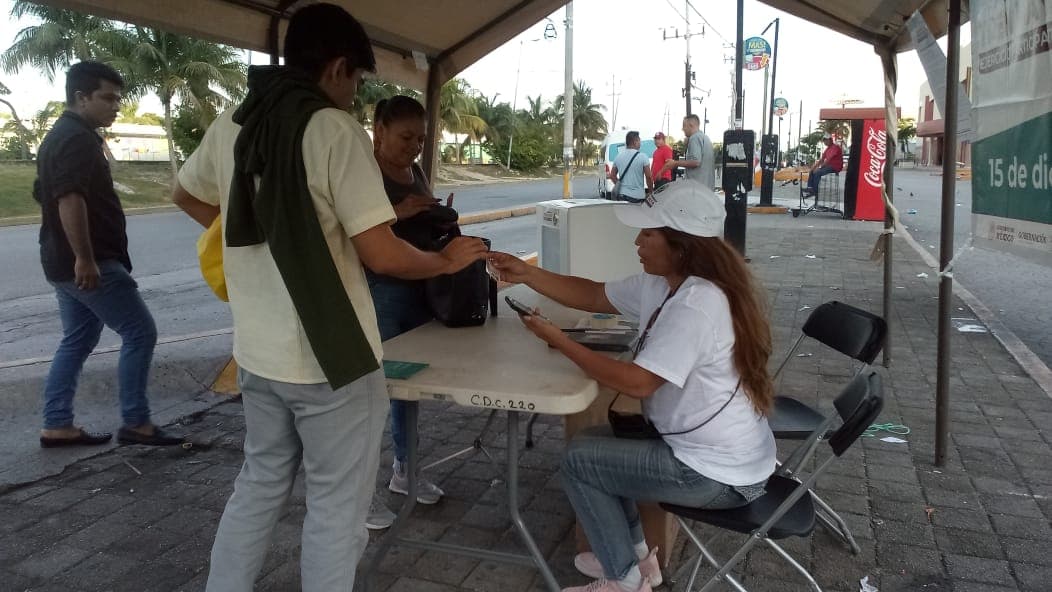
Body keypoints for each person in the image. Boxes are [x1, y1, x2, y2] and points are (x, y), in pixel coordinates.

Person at [171, 4, 489, 591]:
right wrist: (447, 259)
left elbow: (187, 196)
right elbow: (383, 253)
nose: (353, 93)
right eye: (358, 80)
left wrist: (258, 234)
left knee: (259, 486)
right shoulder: (331, 129)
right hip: (330, 358)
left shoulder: (234, 121)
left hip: (258, 354)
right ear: (339, 67)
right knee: (337, 512)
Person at [488, 182, 776, 592]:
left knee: (580, 461)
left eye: (648, 233)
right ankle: (638, 561)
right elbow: (593, 294)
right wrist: (528, 273)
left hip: (718, 475)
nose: (637, 241)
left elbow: (639, 383)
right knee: (595, 447)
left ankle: (622, 581)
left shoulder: (697, 304)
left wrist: (561, 341)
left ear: (682, 245)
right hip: (714, 453)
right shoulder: (667, 284)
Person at [33, 61, 183, 449]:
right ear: (81, 97)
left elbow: (41, 191)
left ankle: (56, 423)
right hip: (89, 263)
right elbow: (68, 196)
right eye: (108, 98)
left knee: (78, 339)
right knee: (140, 332)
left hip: (58, 262)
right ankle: (137, 422)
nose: (116, 106)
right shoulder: (78, 139)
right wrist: (85, 257)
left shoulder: (57, 136)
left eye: (118, 98)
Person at [364, 95, 457, 530]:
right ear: (378, 130)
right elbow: (355, 231)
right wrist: (398, 211)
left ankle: (406, 469)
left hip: (419, 290)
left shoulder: (415, 170)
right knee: (372, 395)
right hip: (379, 292)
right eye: (405, 137)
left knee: (408, 389)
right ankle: (359, 492)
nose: (414, 147)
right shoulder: (362, 171)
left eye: (420, 139)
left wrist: (438, 215)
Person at [658, 114, 715, 190]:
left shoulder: (694, 138)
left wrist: (675, 163)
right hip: (706, 190)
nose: (682, 129)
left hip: (697, 190)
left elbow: (695, 162)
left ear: (691, 125)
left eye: (684, 126)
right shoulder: (705, 138)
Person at [607, 131, 653, 203]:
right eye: (639, 141)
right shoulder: (643, 157)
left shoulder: (618, 157)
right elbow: (649, 177)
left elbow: (612, 175)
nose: (640, 143)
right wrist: (650, 192)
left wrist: (621, 187)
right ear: (635, 142)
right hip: (638, 197)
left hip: (622, 196)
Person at [804, 132, 844, 197]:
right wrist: (814, 166)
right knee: (812, 171)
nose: (825, 142)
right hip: (829, 166)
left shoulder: (835, 147)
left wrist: (819, 167)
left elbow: (828, 160)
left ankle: (814, 191)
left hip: (835, 166)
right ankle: (810, 188)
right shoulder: (827, 149)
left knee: (817, 172)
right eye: (824, 141)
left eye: (826, 140)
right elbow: (821, 159)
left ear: (830, 140)